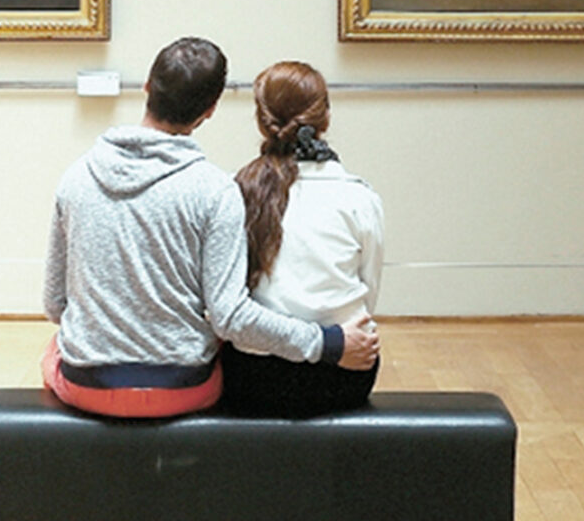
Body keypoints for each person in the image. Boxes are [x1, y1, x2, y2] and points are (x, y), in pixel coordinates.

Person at [42, 38, 379, 418]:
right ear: (210, 110)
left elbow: (54, 305)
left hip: (87, 387)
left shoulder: (75, 178)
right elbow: (230, 317)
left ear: (148, 87)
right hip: (183, 389)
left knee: (54, 349)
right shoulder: (215, 190)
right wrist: (328, 343)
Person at [220, 62, 384, 418]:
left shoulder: (237, 190)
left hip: (253, 379)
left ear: (261, 120)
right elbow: (368, 293)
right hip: (345, 373)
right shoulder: (359, 196)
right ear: (326, 118)